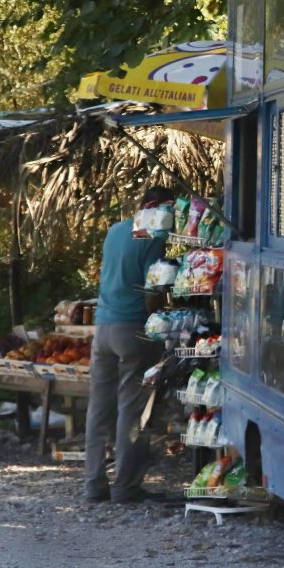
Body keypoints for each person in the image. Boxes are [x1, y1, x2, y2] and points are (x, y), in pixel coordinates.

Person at [83, 186, 174, 504]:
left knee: (98, 409)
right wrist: (161, 319)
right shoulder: (152, 238)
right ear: (160, 208)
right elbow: (152, 289)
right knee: (132, 411)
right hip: (134, 328)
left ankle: (93, 484)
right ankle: (125, 486)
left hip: (103, 328)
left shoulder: (115, 230)